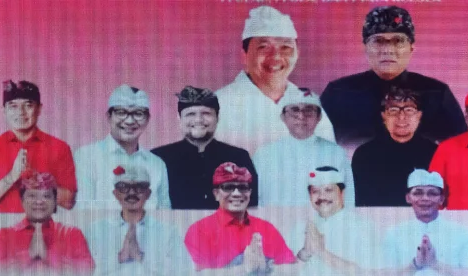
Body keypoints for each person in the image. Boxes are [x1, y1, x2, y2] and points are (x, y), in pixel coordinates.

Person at [320, 6, 466, 147]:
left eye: (398, 41)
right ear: (365, 48)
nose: (388, 50)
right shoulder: (338, 93)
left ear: (411, 48)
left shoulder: (437, 94)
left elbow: (464, 150)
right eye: (378, 41)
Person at [215, 6, 334, 153]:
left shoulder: (309, 103)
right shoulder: (219, 105)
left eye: (285, 47)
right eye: (263, 47)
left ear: (297, 53)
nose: (276, 56)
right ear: (244, 55)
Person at [0, 80, 77, 213]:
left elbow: (69, 201)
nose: (21, 112)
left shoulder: (59, 147)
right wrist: (12, 177)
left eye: (28, 105)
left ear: (39, 109)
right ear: (4, 111)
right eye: (13, 106)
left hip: (42, 224)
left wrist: (41, 184)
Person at [152, 87, 258, 210]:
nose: (198, 120)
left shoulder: (238, 157)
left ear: (217, 118)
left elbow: (252, 203)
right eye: (191, 114)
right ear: (179, 118)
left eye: (206, 113)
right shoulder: (158, 158)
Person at [183, 162, 296, 272]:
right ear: (216, 194)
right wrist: (244, 269)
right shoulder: (199, 231)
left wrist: (266, 267)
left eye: (243, 187)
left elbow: (291, 269)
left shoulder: (267, 228)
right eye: (228, 187)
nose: (236, 193)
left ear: (249, 193)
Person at [74, 85, 170, 211]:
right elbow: (82, 212)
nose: (129, 121)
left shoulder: (157, 164)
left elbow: (165, 214)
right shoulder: (86, 157)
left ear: (147, 119)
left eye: (138, 113)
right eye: (121, 112)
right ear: (108, 117)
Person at [253, 91, 355, 207]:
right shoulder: (264, 154)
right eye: (294, 109)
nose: (301, 116)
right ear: (283, 116)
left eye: (309, 110)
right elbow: (253, 199)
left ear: (319, 117)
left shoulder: (336, 153)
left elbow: (349, 198)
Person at [84, 164, 187, 275]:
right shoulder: (95, 230)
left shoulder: (169, 232)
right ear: (115, 194)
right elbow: (82, 271)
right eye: (124, 187)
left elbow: (184, 271)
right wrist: (119, 257)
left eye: (140, 187)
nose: (132, 193)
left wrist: (140, 257)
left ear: (148, 194)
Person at [0, 173, 94, 273]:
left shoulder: (72, 234)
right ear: (22, 201)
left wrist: (48, 256)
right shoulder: (2, 236)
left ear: (55, 201)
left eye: (46, 196)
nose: (39, 201)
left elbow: (89, 273)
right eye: (32, 196)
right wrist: (28, 255)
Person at [352, 86, 439, 207]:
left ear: (419, 116)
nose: (401, 116)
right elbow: (358, 203)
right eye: (393, 110)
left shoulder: (435, 153)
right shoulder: (364, 155)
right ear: (383, 116)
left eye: (409, 110)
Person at [381, 169, 468, 276]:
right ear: (408, 198)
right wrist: (415, 265)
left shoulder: (462, 233)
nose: (425, 198)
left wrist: (435, 264)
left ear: (441, 199)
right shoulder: (393, 234)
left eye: (432, 193)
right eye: (418, 193)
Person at [288, 167, 371, 272]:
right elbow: (285, 274)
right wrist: (305, 252)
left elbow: (367, 274)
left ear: (342, 193)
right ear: (310, 195)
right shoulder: (299, 228)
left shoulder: (362, 227)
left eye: (328, 190)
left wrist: (321, 252)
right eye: (315, 191)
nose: (322, 196)